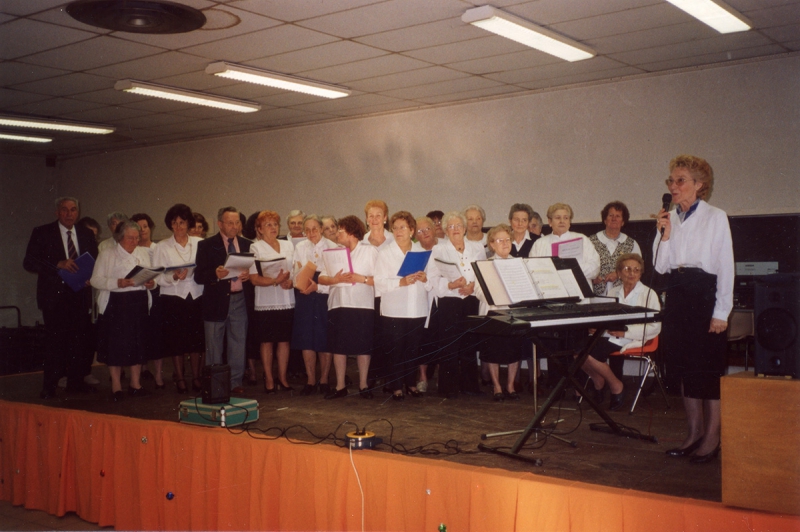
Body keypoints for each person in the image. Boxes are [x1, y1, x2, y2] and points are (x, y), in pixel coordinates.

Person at [656, 155, 733, 464]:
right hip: (677, 293)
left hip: (704, 294)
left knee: (707, 369)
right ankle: (693, 433)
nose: (674, 186)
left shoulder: (716, 216)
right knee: (685, 367)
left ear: (699, 185)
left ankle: (712, 438)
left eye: (680, 180)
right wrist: (665, 233)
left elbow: (726, 266)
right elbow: (661, 266)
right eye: (671, 180)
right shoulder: (669, 217)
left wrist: (721, 311)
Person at [24, 197, 99, 399]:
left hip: (79, 294)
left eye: (73, 209)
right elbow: (29, 262)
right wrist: (57, 264)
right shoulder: (42, 232)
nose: (69, 214)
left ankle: (75, 383)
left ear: (78, 212)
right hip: (54, 297)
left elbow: (94, 261)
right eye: (64, 210)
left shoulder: (85, 233)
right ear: (57, 212)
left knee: (78, 343)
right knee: (55, 343)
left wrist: (90, 278)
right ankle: (49, 386)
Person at [583, 253, 661, 410]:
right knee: (577, 350)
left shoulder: (648, 294)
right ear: (619, 273)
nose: (632, 273)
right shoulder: (613, 293)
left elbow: (655, 326)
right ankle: (598, 381)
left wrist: (625, 333)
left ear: (640, 273)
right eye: (627, 269)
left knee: (591, 354)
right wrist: (597, 328)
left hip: (631, 337)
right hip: (609, 335)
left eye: (636, 270)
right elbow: (605, 318)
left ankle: (616, 386)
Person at [91, 221, 156, 401]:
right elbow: (95, 280)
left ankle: (135, 384)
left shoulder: (143, 252)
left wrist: (151, 283)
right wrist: (117, 283)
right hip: (117, 303)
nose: (135, 241)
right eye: (130, 238)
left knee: (137, 343)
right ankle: (116, 386)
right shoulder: (107, 253)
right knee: (116, 345)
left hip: (139, 301)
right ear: (120, 237)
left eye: (137, 237)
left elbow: (150, 276)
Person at [374, 211, 432, 400]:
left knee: (412, 349)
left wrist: (425, 278)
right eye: (395, 227)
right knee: (396, 349)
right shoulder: (385, 253)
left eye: (403, 227)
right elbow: (379, 282)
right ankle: (396, 386)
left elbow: (431, 284)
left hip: (416, 308)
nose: (399, 231)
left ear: (412, 230)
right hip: (394, 309)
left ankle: (411, 384)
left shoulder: (421, 252)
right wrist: (400, 282)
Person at [318, 215, 378, 399]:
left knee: (363, 346)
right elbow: (320, 278)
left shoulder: (370, 251)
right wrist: (336, 279)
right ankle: (340, 386)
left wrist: (361, 278)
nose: (337, 234)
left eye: (341, 231)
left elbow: (380, 279)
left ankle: (363, 385)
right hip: (338, 304)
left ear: (352, 233)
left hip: (362, 305)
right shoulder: (332, 252)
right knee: (338, 346)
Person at [194, 207, 253, 394]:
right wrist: (215, 274)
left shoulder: (247, 244)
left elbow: (254, 271)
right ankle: (216, 384)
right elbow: (198, 276)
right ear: (220, 224)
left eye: (237, 222)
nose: (234, 226)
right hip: (215, 301)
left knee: (238, 343)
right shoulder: (206, 245)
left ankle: (235, 382)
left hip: (240, 299)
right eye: (230, 222)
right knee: (214, 345)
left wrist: (248, 276)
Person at [429, 211, 486, 398]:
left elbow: (483, 273)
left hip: (470, 300)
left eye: (458, 226)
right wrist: (451, 285)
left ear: (464, 228)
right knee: (449, 345)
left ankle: (470, 386)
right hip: (449, 301)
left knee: (469, 343)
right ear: (445, 230)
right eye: (451, 227)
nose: (455, 229)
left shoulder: (477, 248)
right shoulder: (438, 250)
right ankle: (448, 388)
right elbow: (432, 279)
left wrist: (472, 287)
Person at [152, 204, 204, 394]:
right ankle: (180, 377)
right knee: (177, 341)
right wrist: (173, 276)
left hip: (196, 294)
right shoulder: (162, 246)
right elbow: (156, 277)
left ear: (188, 223)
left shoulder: (199, 243)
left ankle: (196, 377)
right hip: (173, 298)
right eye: (174, 223)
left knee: (196, 341)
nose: (178, 226)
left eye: (182, 222)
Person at [249, 210, 295, 393]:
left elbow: (296, 270)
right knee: (267, 341)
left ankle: (282, 377)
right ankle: (269, 378)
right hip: (265, 301)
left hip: (286, 299)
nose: (273, 228)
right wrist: (275, 281)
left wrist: (291, 281)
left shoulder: (288, 245)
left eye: (275, 224)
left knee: (284, 340)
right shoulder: (255, 248)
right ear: (259, 229)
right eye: (268, 225)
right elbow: (253, 278)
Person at [475, 224, 523, 401]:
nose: (505, 243)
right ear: (492, 245)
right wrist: (496, 296)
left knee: (513, 350)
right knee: (493, 350)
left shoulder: (518, 263)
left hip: (514, 313)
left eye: (508, 240)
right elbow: (478, 291)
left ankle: (510, 385)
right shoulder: (484, 265)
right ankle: (496, 386)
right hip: (492, 312)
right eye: (500, 240)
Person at [292, 215, 337, 395]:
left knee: (324, 338)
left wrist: (317, 287)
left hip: (324, 295)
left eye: (315, 229)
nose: (311, 233)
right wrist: (301, 284)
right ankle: (310, 380)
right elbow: (296, 270)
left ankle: (324, 379)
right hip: (305, 294)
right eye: (307, 230)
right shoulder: (300, 247)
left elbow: (336, 276)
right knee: (306, 339)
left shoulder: (333, 247)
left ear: (321, 229)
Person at [131, 212, 164, 388]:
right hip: (138, 295)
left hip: (156, 294)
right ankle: (141, 371)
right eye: (138, 227)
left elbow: (163, 271)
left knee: (156, 336)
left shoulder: (157, 248)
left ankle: (158, 375)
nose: (143, 231)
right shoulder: (132, 250)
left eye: (145, 226)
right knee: (139, 335)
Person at [531, 203, 600, 284]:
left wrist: (570, 269)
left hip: (579, 289)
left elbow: (595, 268)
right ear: (550, 221)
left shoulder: (582, 239)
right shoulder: (539, 244)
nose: (562, 221)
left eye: (566, 218)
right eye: (558, 218)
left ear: (569, 222)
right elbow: (533, 270)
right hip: (551, 289)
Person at [590, 201, 642, 296]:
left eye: (618, 216)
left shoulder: (631, 244)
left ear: (623, 222)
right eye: (610, 215)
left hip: (623, 294)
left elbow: (638, 270)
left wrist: (619, 274)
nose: (614, 219)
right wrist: (592, 277)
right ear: (605, 220)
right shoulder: (591, 241)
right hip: (596, 295)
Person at [413, 216, 439, 392]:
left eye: (427, 229)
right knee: (423, 339)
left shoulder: (444, 248)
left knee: (440, 339)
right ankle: (422, 376)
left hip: (441, 300)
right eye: (420, 231)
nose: (424, 234)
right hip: (420, 302)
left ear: (434, 229)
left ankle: (441, 377)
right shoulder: (413, 251)